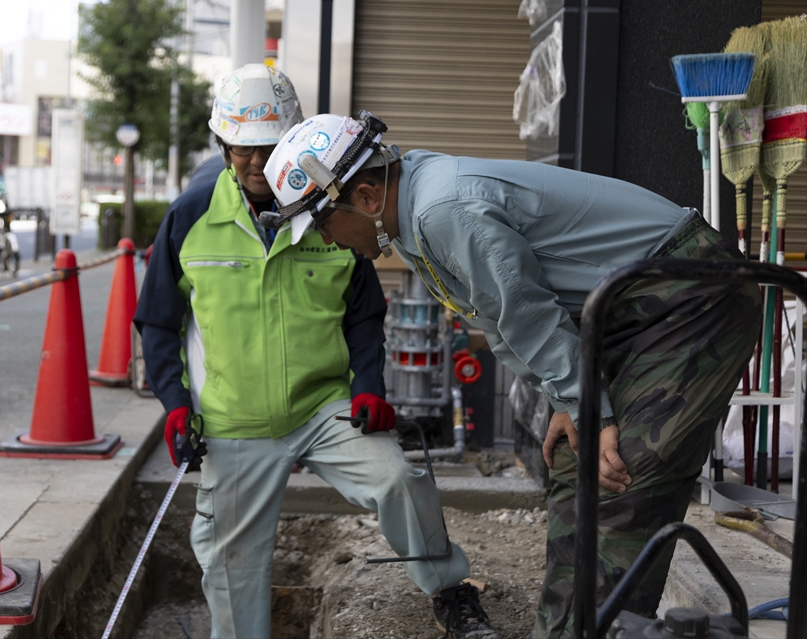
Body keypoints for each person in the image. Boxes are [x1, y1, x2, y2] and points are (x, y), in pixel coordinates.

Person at [261, 111, 762, 638]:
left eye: (321, 222)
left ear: (363, 197)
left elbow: (525, 310)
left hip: (693, 293)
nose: (327, 239)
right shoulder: (408, 219)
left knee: (624, 473)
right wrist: (567, 401)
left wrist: (584, 403)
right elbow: (497, 318)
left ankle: (605, 630)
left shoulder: (440, 209)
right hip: (630, 309)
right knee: (575, 460)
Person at [134, 67, 496, 639]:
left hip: (323, 409)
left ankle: (451, 593)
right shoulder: (191, 216)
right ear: (224, 147)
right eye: (243, 148)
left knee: (398, 481)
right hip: (234, 423)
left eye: (269, 147)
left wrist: (369, 387)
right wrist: (176, 404)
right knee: (231, 568)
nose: (257, 162)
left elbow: (364, 313)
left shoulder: (326, 210)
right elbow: (157, 322)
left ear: (291, 143)